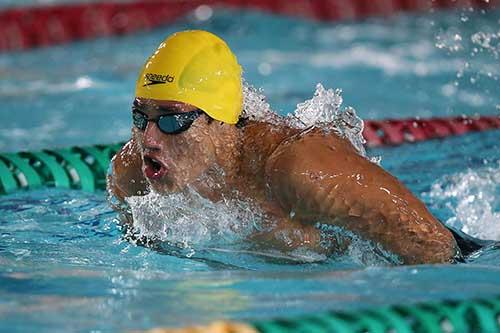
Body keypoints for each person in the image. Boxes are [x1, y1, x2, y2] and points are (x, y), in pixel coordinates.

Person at [107, 30, 465, 265]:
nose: (149, 140)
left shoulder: (298, 170)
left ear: (220, 122)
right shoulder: (130, 178)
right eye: (141, 117)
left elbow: (433, 248)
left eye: (172, 120)